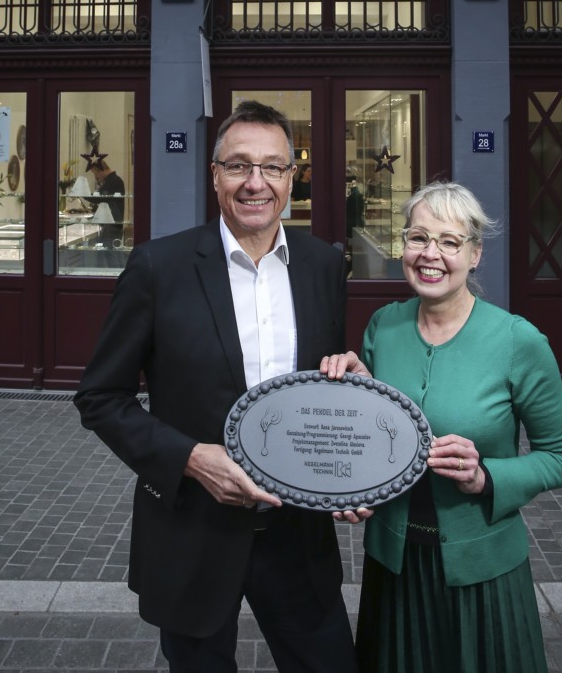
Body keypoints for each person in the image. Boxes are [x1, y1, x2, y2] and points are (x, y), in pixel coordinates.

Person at [74, 100, 358, 673]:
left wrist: (348, 460)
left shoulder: (323, 265)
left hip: (297, 534)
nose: (256, 183)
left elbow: (325, 382)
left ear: (291, 176)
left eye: (273, 167)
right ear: (215, 175)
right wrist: (189, 458)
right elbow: (100, 397)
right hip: (192, 531)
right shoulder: (159, 267)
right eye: (239, 166)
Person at [321, 179, 562, 673]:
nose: (430, 254)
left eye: (449, 241)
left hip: (481, 570)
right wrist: (353, 486)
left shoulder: (517, 341)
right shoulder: (384, 326)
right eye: (418, 238)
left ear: (475, 254)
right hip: (395, 564)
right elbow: (380, 438)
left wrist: (488, 477)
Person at [91, 159, 125, 247]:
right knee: (110, 254)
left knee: (112, 255)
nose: (96, 177)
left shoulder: (112, 181)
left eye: (96, 174)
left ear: (101, 170)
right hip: (112, 223)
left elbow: (97, 198)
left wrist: (82, 193)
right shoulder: (113, 180)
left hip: (112, 225)